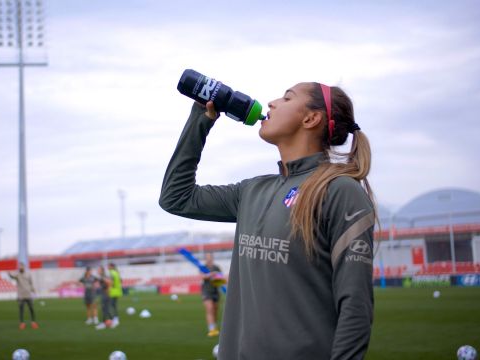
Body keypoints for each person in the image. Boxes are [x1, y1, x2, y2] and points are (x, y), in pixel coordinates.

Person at [159, 82, 376, 359]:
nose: (272, 102)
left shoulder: (339, 190)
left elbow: (355, 303)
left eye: (287, 97)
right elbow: (175, 197)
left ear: (311, 118)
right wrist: (202, 118)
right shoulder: (252, 191)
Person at [8, 262, 39, 330]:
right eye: (19, 266)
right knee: (21, 310)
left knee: (31, 309)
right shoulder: (17, 274)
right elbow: (12, 276)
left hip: (28, 294)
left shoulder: (28, 274)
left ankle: (33, 322)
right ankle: (22, 323)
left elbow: (31, 283)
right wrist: (9, 274)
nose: (20, 267)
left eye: (21, 266)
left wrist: (33, 290)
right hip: (21, 295)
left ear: (24, 267)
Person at [200, 253, 222, 337]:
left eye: (210, 257)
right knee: (210, 308)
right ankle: (211, 329)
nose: (209, 259)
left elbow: (220, 280)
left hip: (215, 291)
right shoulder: (203, 267)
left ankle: (214, 326)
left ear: (212, 258)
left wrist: (219, 278)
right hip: (206, 291)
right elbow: (202, 277)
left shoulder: (216, 267)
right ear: (205, 258)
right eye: (207, 257)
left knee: (215, 310)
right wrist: (210, 275)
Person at [95, 265, 114, 330]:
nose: (98, 271)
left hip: (105, 295)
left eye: (99, 270)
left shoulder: (103, 277)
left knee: (104, 309)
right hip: (104, 294)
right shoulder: (102, 277)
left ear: (102, 271)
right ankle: (111, 322)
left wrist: (108, 290)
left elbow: (109, 282)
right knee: (106, 309)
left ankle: (104, 323)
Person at [107, 263, 123, 328]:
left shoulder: (111, 273)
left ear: (111, 267)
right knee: (114, 305)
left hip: (112, 291)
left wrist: (109, 289)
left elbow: (111, 282)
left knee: (110, 305)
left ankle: (113, 319)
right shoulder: (117, 272)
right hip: (118, 291)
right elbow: (121, 281)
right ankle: (116, 317)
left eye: (108, 266)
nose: (107, 267)